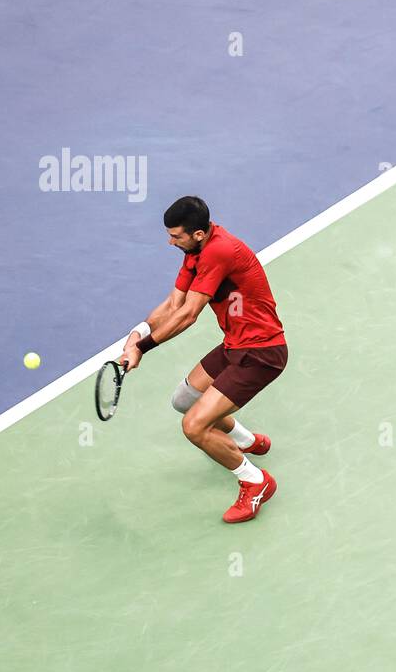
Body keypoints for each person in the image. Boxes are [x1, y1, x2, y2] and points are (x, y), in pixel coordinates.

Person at [120, 196, 288, 523]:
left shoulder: (219, 252)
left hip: (261, 353)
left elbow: (188, 315)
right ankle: (248, 441)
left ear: (198, 233)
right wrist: (137, 334)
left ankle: (255, 482)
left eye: (176, 236)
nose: (170, 241)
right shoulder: (195, 250)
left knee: (194, 426)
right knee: (185, 399)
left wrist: (143, 348)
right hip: (235, 346)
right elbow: (173, 303)